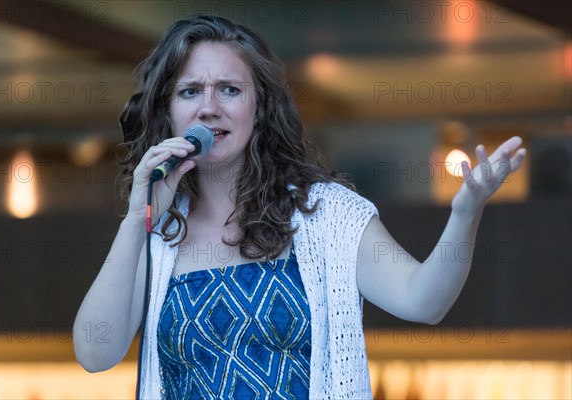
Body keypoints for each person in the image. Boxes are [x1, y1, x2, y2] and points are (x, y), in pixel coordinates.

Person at [73, 15, 526, 400]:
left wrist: (466, 211)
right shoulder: (158, 229)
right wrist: (138, 220)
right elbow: (95, 353)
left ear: (259, 107)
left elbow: (423, 301)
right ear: (167, 110)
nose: (208, 108)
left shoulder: (326, 214)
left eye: (229, 90)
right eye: (190, 91)